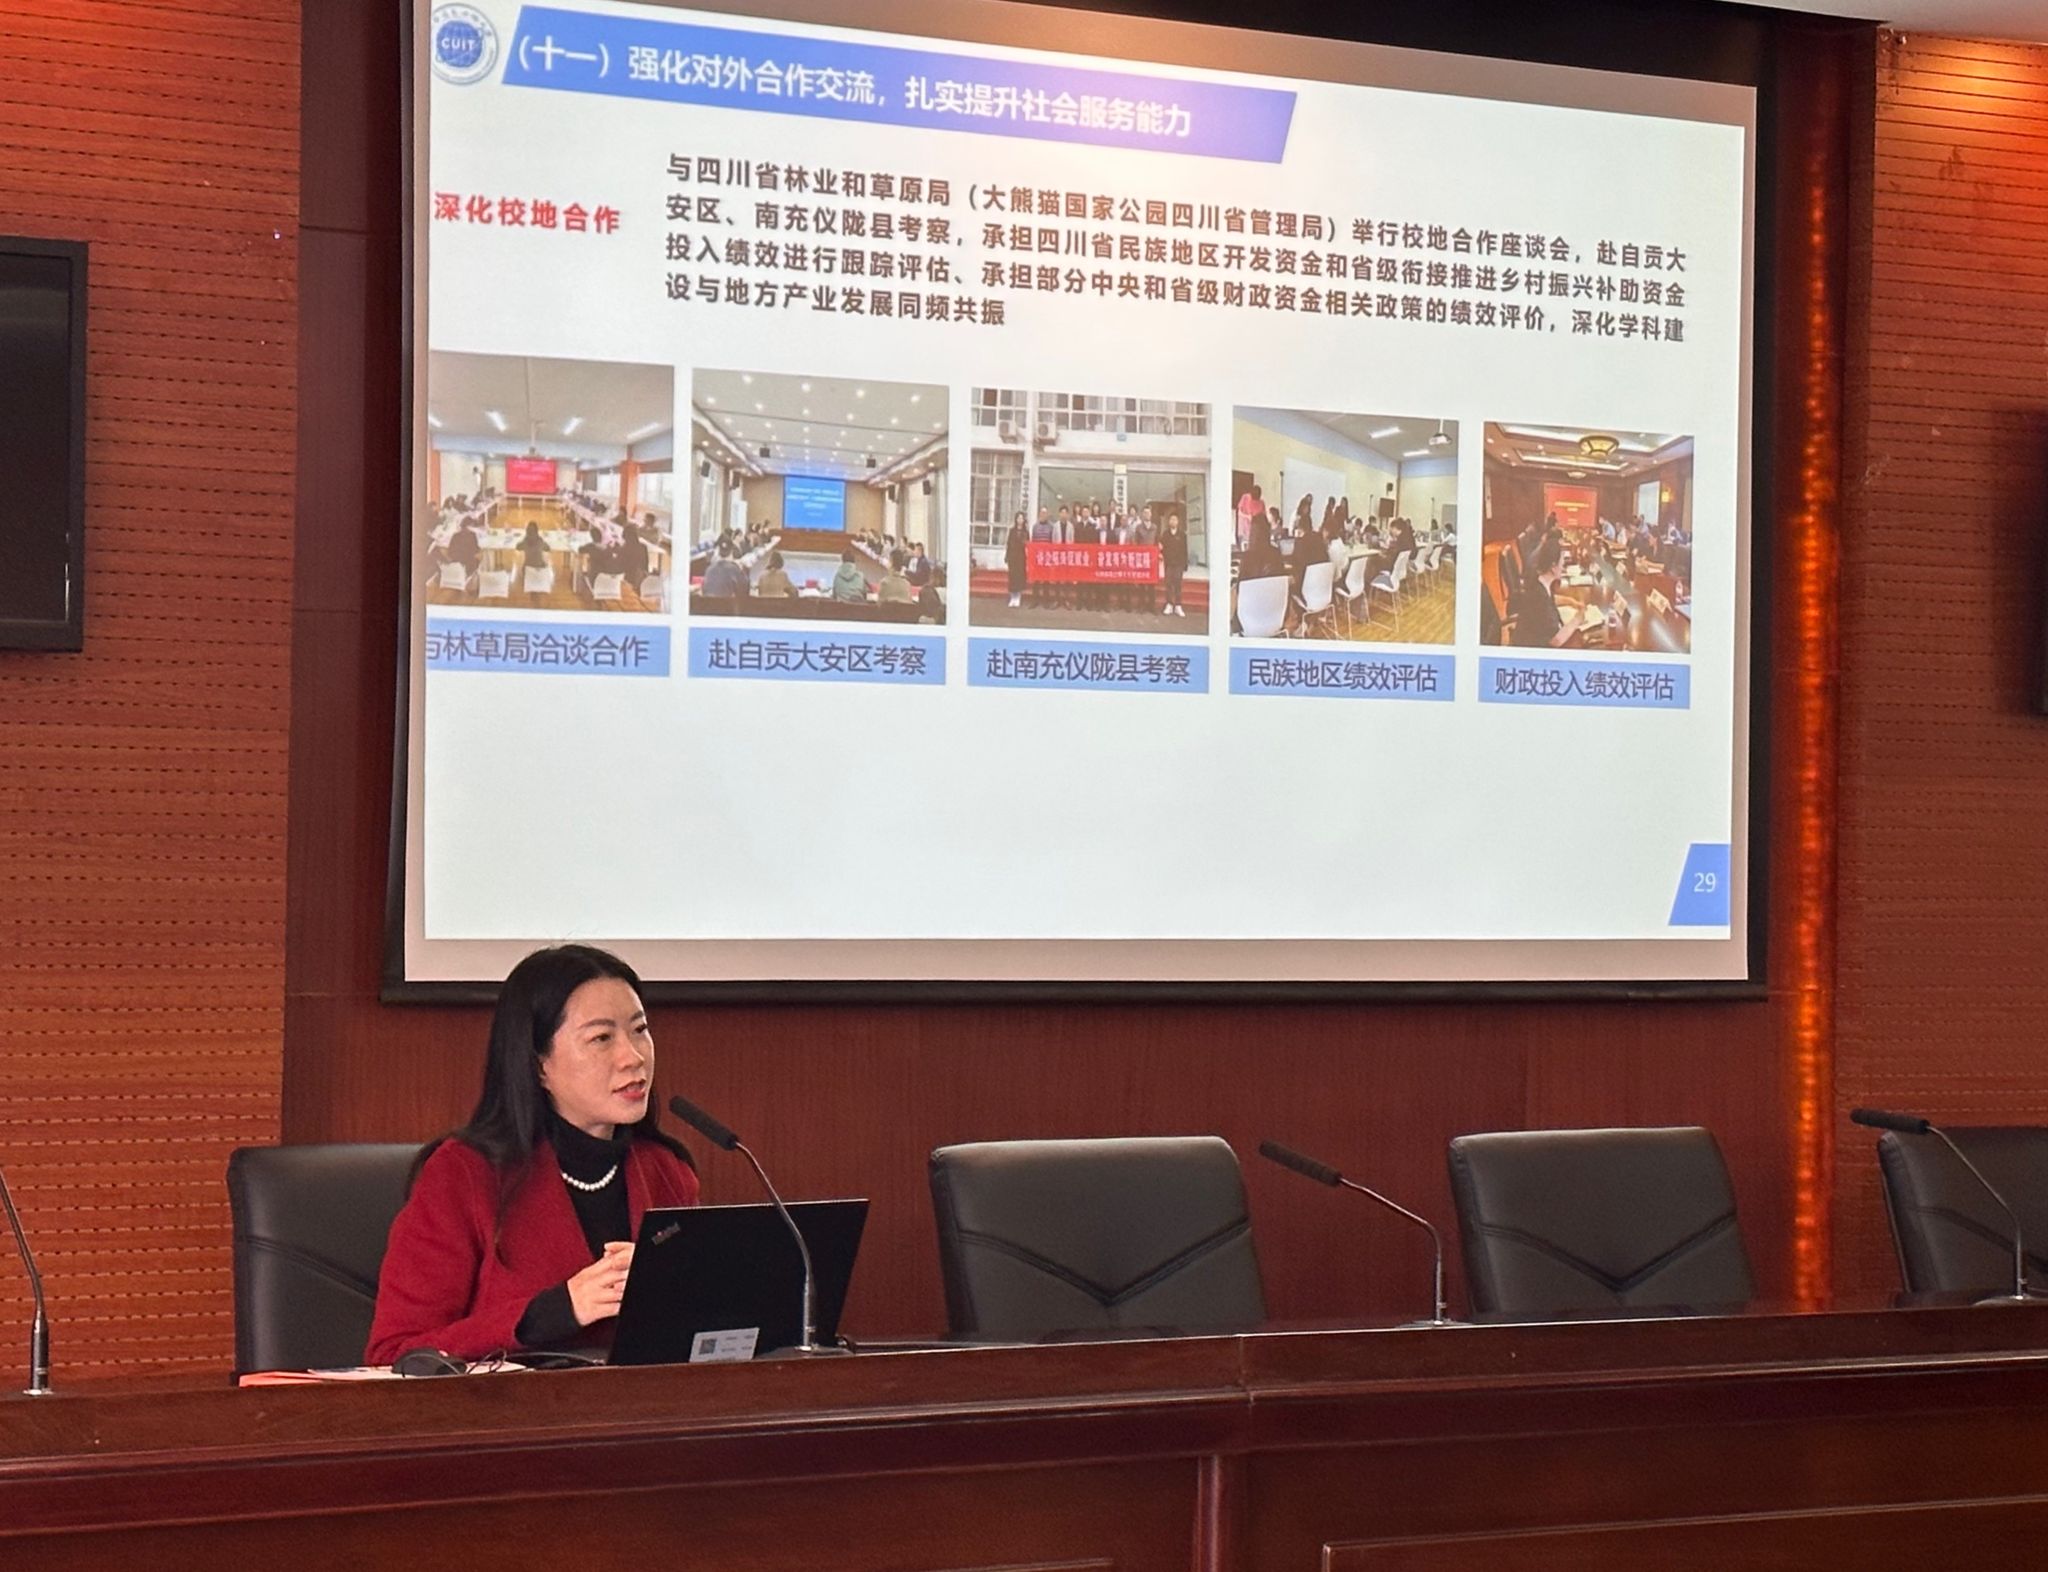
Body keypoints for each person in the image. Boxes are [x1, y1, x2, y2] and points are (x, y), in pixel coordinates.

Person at [365, 945, 700, 1364]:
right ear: (539, 1065)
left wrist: (673, 1295)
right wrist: (558, 1309)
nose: (633, 1057)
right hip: (510, 1405)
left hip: (643, 1403)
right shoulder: (463, 1174)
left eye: (639, 1029)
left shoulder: (666, 1171)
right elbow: (393, 1354)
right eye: (601, 1038)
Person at [1510, 539, 1574, 648]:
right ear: (1553, 567)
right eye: (1562, 563)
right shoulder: (1538, 596)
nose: (1563, 568)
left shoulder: (1540, 581)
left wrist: (1571, 601)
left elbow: (1550, 600)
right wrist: (1578, 618)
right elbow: (1555, 641)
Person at [1161, 512, 1189, 618]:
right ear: (1169, 522)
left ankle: (1178, 605)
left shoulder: (1182, 535)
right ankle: (1169, 604)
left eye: (1175, 519)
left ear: (1178, 522)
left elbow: (1185, 550)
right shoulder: (1165, 534)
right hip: (1168, 563)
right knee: (1168, 584)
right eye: (1171, 519)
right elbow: (1162, 548)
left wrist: (1185, 564)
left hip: (1179, 563)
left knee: (1178, 584)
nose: (1173, 521)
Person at [1005, 511, 1030, 608]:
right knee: (1012, 576)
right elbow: (1008, 544)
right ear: (1016, 519)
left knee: (1019, 577)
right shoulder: (1012, 531)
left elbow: (1028, 545)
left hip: (1021, 557)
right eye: (1018, 518)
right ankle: (1012, 597)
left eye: (1021, 518)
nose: (1020, 520)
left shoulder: (1026, 532)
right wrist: (1007, 556)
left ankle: (1018, 597)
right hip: (1012, 556)